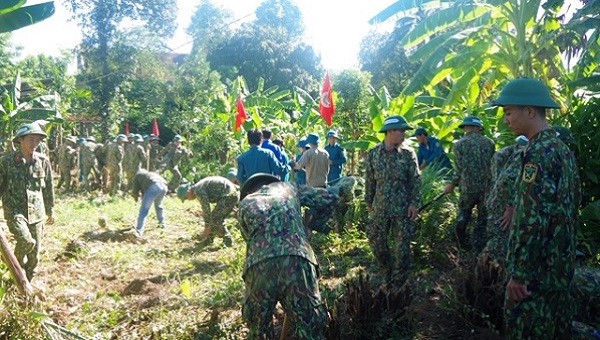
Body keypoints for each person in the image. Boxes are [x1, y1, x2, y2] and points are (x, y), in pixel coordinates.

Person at [492, 77, 580, 339]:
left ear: (530, 111)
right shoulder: (561, 150)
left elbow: (531, 219)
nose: (506, 120)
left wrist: (519, 274)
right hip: (559, 269)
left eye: (509, 112)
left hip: (536, 275)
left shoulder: (537, 154)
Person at [237, 173, 339, 339]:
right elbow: (330, 198)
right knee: (310, 327)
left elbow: (249, 239)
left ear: (249, 191)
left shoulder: (245, 203)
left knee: (258, 331)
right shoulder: (290, 188)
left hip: (258, 266)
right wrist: (314, 225)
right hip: (297, 260)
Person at [365, 115, 420, 286]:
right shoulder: (374, 154)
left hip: (403, 209)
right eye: (401, 131)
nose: (404, 134)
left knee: (401, 248)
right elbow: (369, 182)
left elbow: (416, 181)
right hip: (380, 207)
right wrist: (369, 204)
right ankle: (386, 268)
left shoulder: (408, 154)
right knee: (375, 239)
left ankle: (398, 284)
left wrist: (414, 203)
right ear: (389, 132)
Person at [0, 122, 55, 280]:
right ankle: (12, 268)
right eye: (31, 140)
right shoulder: (6, 162)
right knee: (26, 241)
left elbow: (48, 187)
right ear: (21, 140)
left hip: (37, 213)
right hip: (15, 211)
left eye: (38, 140)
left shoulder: (43, 161)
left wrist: (51, 210)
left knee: (34, 257)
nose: (35, 144)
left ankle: (26, 285)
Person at [443, 116, 495, 251]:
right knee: (483, 218)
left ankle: (462, 244)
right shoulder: (489, 143)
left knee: (464, 214)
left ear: (465, 128)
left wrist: (452, 184)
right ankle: (478, 247)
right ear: (479, 128)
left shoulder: (459, 144)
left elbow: (459, 169)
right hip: (486, 188)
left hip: (468, 188)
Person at [177, 176, 238, 247]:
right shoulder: (198, 187)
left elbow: (206, 210)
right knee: (214, 217)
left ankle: (228, 241)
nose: (188, 199)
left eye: (186, 198)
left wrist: (206, 228)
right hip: (230, 194)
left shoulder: (198, 190)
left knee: (215, 219)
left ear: (188, 191)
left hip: (229, 195)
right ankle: (209, 240)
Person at [131, 169, 168, 238]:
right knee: (158, 205)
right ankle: (162, 223)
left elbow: (135, 191)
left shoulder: (137, 176)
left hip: (154, 186)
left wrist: (136, 198)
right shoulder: (149, 174)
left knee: (144, 210)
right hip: (164, 186)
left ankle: (139, 231)